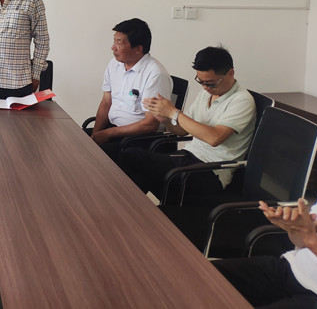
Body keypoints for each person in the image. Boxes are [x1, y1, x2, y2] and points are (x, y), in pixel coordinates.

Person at [119, 46, 256, 198]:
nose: (205, 87)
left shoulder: (242, 100)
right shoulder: (205, 94)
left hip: (211, 171)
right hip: (187, 157)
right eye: (201, 81)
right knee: (139, 175)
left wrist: (173, 112)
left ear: (230, 73)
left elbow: (214, 138)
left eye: (211, 83)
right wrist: (165, 119)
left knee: (132, 156)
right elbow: (182, 131)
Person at [212, 167, 317, 308]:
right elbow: (304, 239)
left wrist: (311, 240)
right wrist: (295, 227)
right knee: (205, 277)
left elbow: (310, 240)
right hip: (293, 268)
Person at [90, 18, 172, 161]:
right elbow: (106, 102)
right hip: (113, 129)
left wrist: (108, 133)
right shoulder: (114, 64)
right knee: (76, 142)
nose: (113, 47)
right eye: (114, 41)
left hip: (138, 139)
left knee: (90, 157)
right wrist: (94, 137)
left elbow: (150, 124)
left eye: (119, 43)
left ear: (138, 49)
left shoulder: (155, 74)